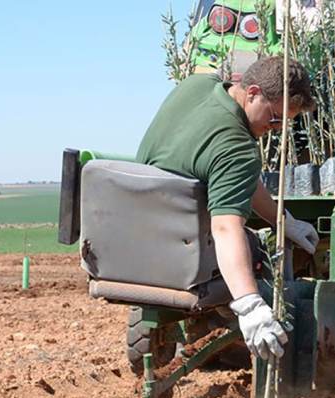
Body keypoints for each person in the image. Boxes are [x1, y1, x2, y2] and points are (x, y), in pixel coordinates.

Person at [136, 56, 318, 361]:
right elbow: (225, 226)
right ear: (253, 93)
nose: (275, 129)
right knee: (257, 253)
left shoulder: (195, 86)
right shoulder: (238, 148)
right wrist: (249, 304)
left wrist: (283, 221)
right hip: (181, 253)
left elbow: (238, 180)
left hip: (136, 235)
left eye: (284, 123)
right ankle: (236, 322)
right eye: (274, 117)